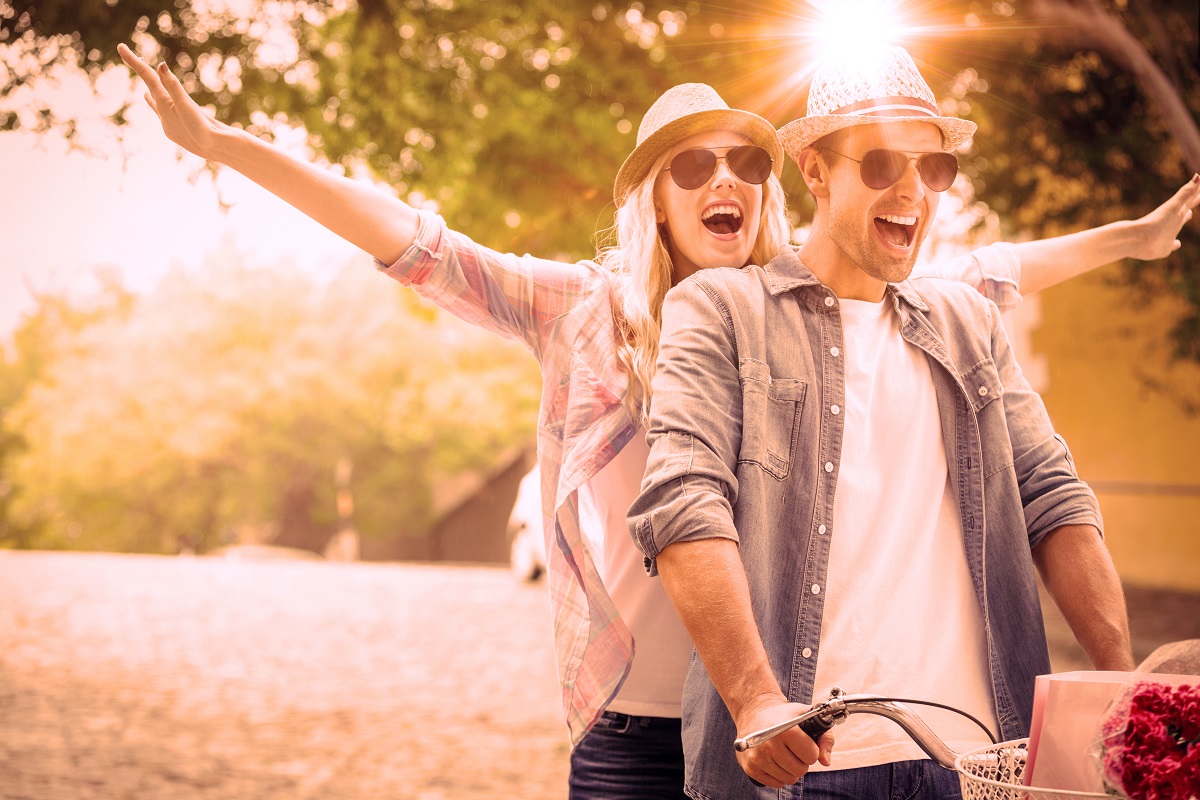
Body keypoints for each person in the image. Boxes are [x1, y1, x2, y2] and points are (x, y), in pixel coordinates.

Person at [117, 40, 1196, 799]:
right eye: (693, 163)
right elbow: (414, 240)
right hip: (639, 711)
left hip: (780, 703)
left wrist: (1129, 241)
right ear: (655, 193)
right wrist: (225, 147)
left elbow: (977, 274)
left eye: (742, 161)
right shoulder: (583, 310)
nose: (724, 177)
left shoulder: (810, 307)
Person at [627, 46, 1155, 800]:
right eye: (880, 163)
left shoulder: (969, 321)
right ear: (813, 170)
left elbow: (1055, 497)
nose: (912, 189)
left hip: (982, 762)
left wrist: (1116, 682)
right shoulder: (719, 311)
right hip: (805, 768)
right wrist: (755, 702)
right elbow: (683, 502)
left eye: (933, 167)